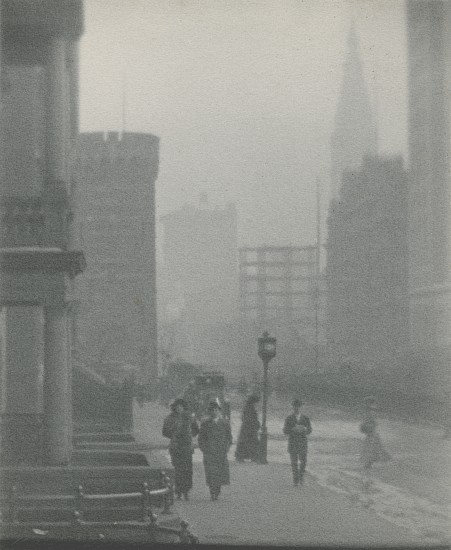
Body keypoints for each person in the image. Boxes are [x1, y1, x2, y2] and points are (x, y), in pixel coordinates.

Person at [162, 398, 199, 500]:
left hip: (187, 447)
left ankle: (186, 490)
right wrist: (174, 434)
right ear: (174, 408)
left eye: (181, 407)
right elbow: (165, 431)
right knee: (177, 469)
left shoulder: (189, 418)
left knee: (187, 469)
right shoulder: (170, 418)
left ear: (184, 408)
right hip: (176, 447)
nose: (179, 409)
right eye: (177, 407)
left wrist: (189, 435)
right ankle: (178, 491)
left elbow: (196, 430)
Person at [198, 400, 233, 501]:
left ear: (219, 411)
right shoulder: (205, 424)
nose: (214, 412)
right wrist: (204, 449)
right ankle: (212, 492)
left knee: (219, 473)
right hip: (209, 453)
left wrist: (226, 448)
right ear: (209, 412)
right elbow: (201, 438)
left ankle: (217, 490)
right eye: (212, 410)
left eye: (216, 410)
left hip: (221, 452)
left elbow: (229, 438)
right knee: (210, 472)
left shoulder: (225, 423)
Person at [283, 398, 312, 486]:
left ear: (301, 407)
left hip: (303, 442)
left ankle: (301, 477)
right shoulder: (289, 418)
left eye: (298, 407)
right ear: (293, 407)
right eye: (295, 407)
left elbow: (310, 430)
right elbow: (285, 431)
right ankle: (295, 480)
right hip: (293, 442)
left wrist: (304, 429)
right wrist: (293, 429)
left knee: (303, 461)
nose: (296, 408)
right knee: (294, 462)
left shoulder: (305, 418)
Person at [360, 396, 391, 469]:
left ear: (369, 403)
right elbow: (373, 422)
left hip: (371, 431)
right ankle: (369, 463)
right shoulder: (370, 411)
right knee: (373, 447)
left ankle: (368, 463)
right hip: (372, 431)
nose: (365, 404)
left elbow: (373, 422)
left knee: (371, 447)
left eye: (366, 403)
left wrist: (367, 427)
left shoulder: (371, 412)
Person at [235, 394, 260, 462]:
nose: (257, 404)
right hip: (248, 428)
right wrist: (255, 424)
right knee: (249, 442)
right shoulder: (249, 408)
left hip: (248, 428)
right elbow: (247, 418)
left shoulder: (249, 407)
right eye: (256, 402)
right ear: (253, 402)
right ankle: (244, 457)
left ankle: (245, 457)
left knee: (248, 442)